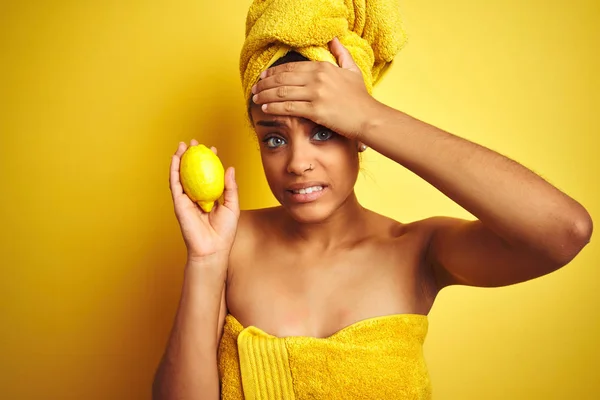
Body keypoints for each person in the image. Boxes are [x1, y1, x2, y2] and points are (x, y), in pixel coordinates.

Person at [152, 38, 593, 400]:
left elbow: (563, 231)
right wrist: (205, 263)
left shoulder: (416, 251)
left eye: (322, 131)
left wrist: (369, 115)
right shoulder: (229, 244)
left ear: (358, 137)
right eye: (273, 139)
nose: (297, 163)